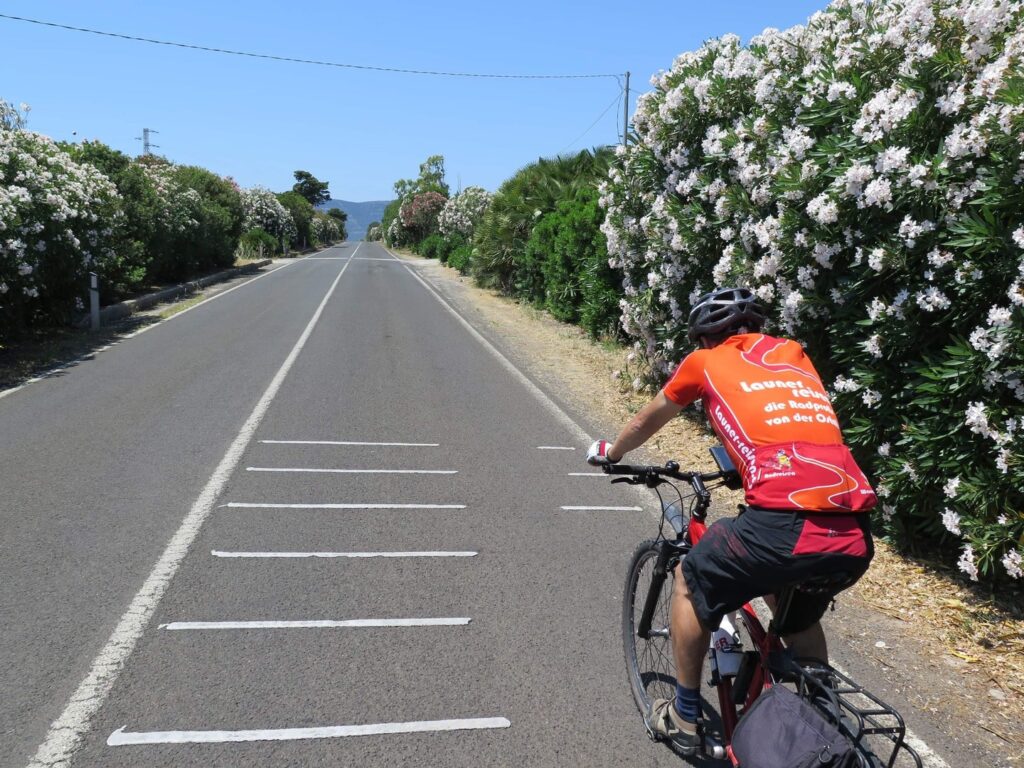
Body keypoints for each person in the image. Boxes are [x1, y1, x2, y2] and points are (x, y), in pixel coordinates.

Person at [587, 287, 876, 754]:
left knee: (689, 577)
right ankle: (824, 716)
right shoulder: (793, 354)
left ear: (705, 339)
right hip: (853, 530)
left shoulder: (704, 363)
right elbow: (787, 422)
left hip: (781, 527)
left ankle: (682, 716)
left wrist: (611, 452)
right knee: (793, 611)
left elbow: (647, 419)